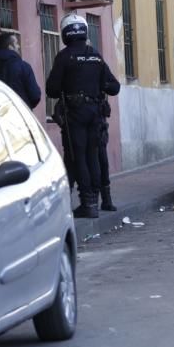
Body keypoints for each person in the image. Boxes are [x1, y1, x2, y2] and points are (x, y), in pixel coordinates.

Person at [46, 13, 120, 219]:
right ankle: (94, 201)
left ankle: (87, 203)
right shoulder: (95, 55)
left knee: (78, 157)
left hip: (75, 114)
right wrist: (97, 86)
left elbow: (51, 89)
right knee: (94, 156)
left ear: (65, 33)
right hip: (96, 114)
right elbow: (115, 87)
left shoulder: (64, 56)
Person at [0, 32, 42, 108]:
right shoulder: (23, 66)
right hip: (20, 113)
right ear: (10, 47)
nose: (18, 46)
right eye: (16, 44)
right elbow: (35, 95)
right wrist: (26, 108)